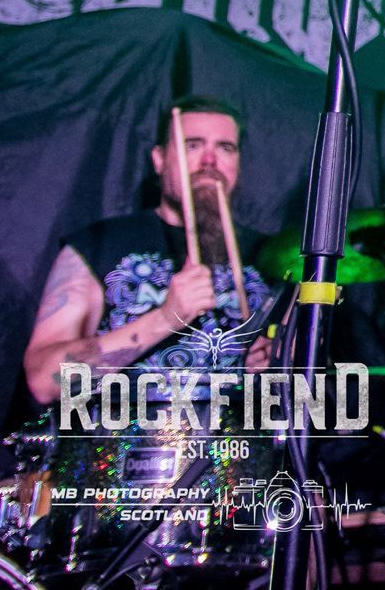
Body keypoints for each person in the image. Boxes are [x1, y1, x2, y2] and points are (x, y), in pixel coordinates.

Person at [22, 95, 274, 405]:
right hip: (121, 433)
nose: (210, 161)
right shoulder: (100, 244)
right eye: (192, 145)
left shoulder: (269, 256)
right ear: (159, 159)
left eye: (225, 148)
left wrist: (277, 361)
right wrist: (166, 318)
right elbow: (44, 380)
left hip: (241, 432)